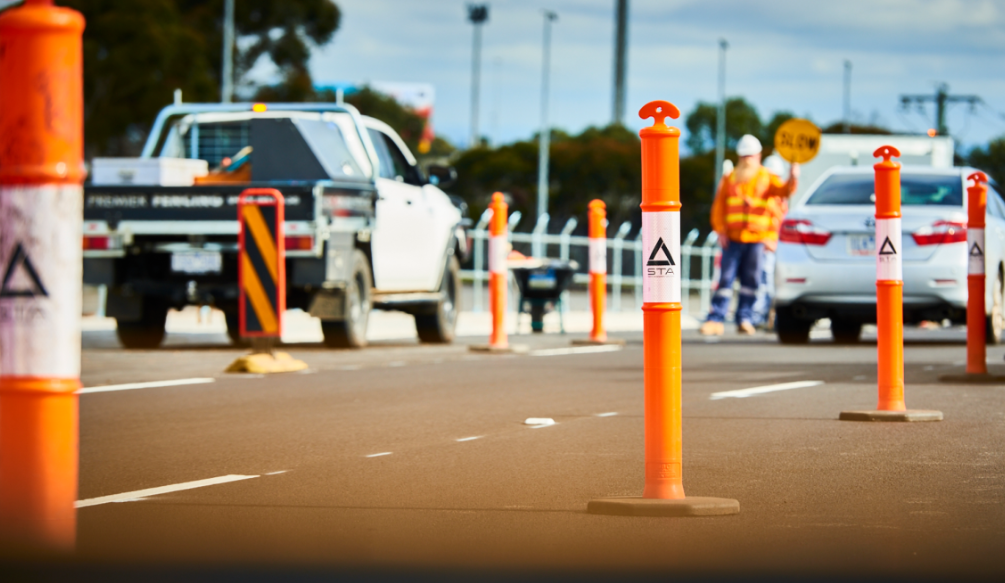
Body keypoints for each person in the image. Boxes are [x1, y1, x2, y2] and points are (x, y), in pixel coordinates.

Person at [700, 135, 799, 336]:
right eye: (744, 156)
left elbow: (785, 191)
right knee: (725, 279)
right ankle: (716, 318)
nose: (747, 160)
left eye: (750, 156)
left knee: (751, 281)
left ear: (758, 156)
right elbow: (719, 206)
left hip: (756, 240)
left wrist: (794, 176)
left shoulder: (767, 177)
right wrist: (720, 230)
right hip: (733, 238)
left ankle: (744, 318)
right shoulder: (730, 177)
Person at [751, 154, 789, 329]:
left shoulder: (781, 198)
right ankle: (759, 316)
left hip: (776, 246)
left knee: (772, 283)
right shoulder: (764, 195)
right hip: (765, 245)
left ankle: (768, 317)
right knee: (762, 281)